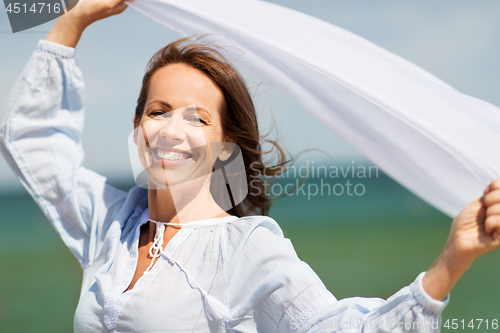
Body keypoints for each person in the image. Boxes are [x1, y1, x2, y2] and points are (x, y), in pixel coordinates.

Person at [1, 0, 500, 332]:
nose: (172, 130)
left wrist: (448, 264)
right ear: (138, 128)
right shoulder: (112, 222)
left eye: (197, 119)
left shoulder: (244, 247)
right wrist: (72, 21)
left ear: (224, 147)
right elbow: (34, 145)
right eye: (157, 112)